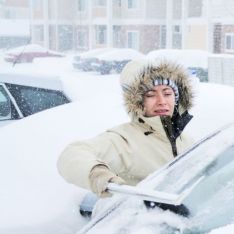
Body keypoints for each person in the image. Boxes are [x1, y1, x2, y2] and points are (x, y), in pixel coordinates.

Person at [57, 59, 195, 203]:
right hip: (144, 222)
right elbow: (72, 154)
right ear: (138, 101)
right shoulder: (125, 140)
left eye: (167, 93)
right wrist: (97, 174)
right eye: (150, 95)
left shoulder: (187, 141)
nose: (162, 101)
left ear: (177, 98)